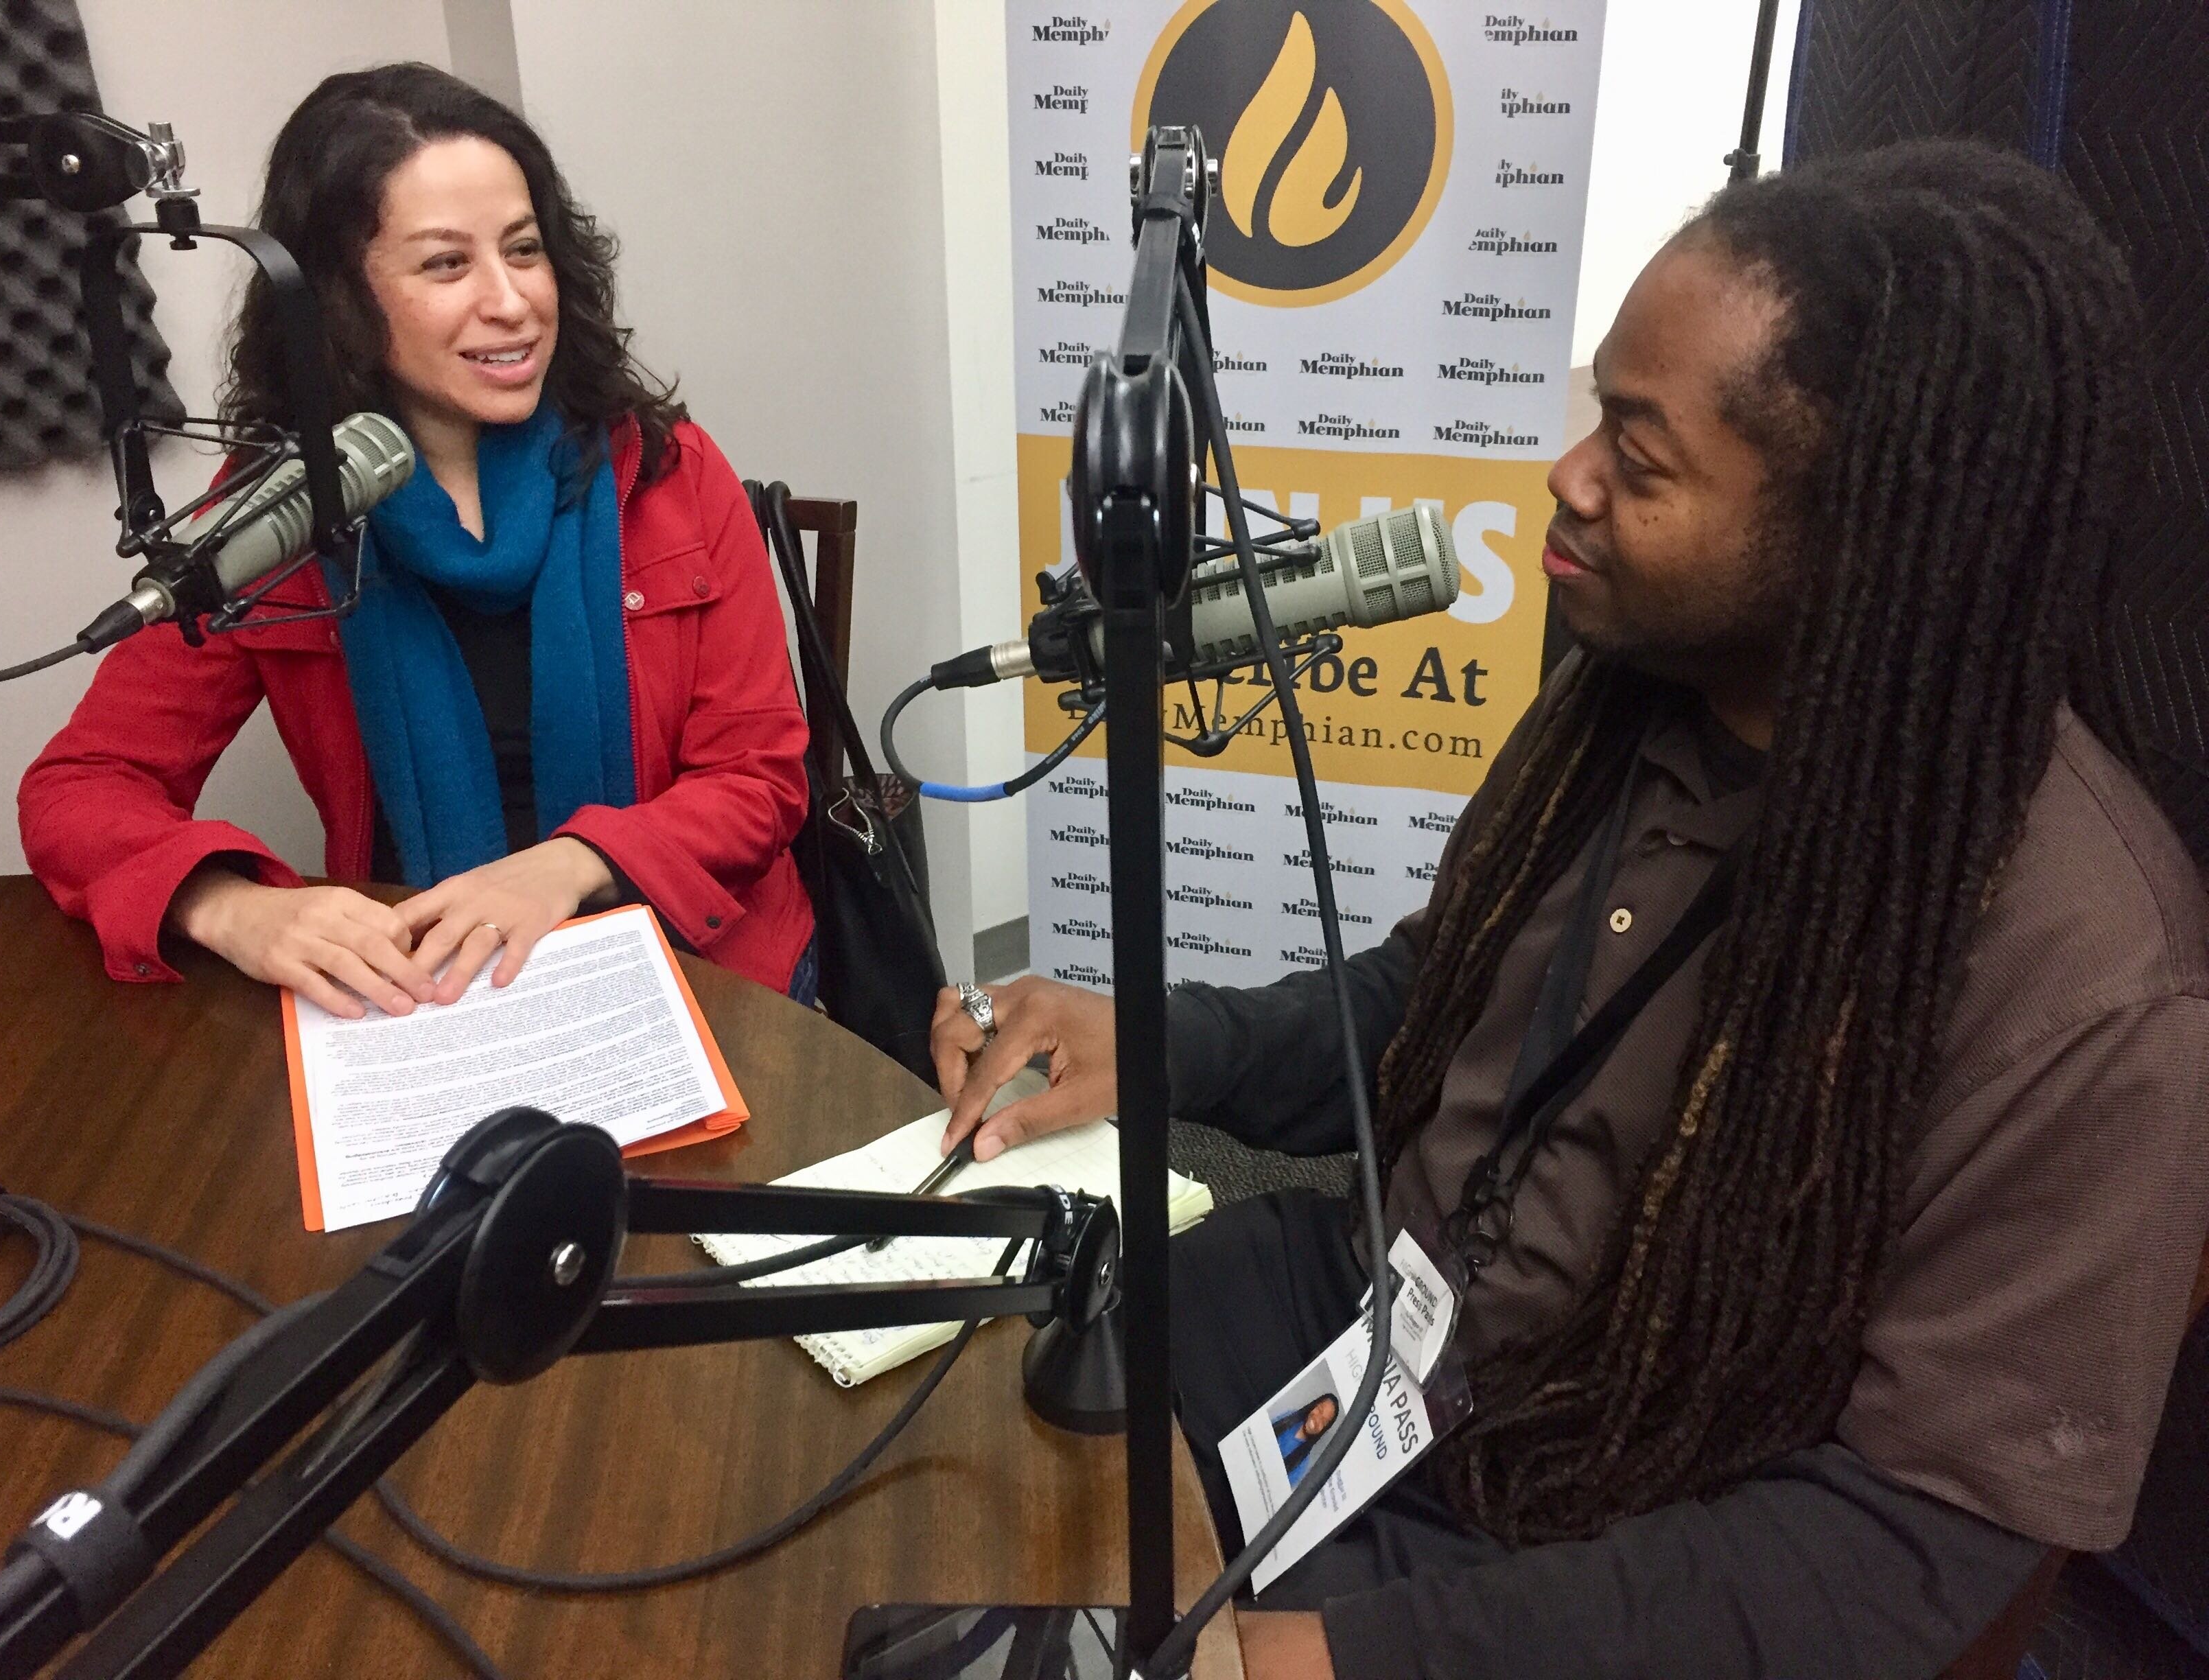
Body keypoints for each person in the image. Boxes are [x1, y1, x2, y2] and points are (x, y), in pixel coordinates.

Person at [932, 141, 2209, 1680]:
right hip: (1364, 1317)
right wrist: (1161, 1042)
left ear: (1857, 532)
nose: (1568, 476)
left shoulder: (2093, 985)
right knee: (955, 1456)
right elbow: (1431, 1002)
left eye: (1639, 455)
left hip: (1585, 1527)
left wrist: (1317, 1666)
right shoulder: (1622, 697)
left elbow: (1893, 1553)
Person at [19, 64, 815, 1019]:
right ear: (340, 298)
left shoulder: (670, 472)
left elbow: (759, 778)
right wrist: (227, 906)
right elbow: (82, 788)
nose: (513, 301)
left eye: (524, 251)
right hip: (425, 995)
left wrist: (571, 866)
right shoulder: (277, 516)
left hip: (709, 968)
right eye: (447, 264)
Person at [1274, 1394, 1340, 1484]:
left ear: (1324, 1429)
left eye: (1324, 1422)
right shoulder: (1289, 1417)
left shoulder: (1301, 1464)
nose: (1318, 1419)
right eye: (1319, 1410)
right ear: (1314, 1406)